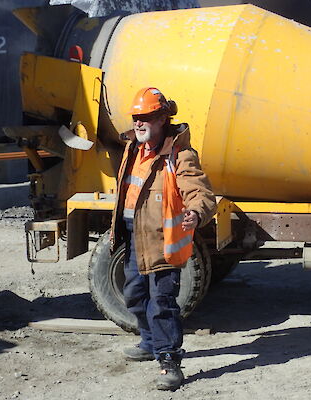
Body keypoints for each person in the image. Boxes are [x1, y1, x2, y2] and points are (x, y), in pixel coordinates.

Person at [110, 87, 216, 390]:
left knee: (162, 302)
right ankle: (149, 341)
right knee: (133, 294)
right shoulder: (134, 149)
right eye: (136, 117)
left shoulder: (179, 155)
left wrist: (196, 212)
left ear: (162, 119)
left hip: (162, 242)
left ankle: (169, 360)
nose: (139, 123)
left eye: (145, 117)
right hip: (133, 237)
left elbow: (199, 191)